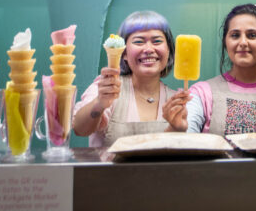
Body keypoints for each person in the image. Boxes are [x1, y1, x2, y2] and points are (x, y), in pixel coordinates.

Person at [164, 3, 256, 135]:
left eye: (252, 35)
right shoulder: (202, 94)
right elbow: (187, 140)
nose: (242, 42)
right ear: (225, 43)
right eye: (235, 35)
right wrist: (177, 129)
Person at [73, 11, 187, 147]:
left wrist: (176, 128)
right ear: (124, 53)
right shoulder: (106, 88)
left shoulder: (175, 101)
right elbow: (80, 129)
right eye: (139, 41)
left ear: (168, 51)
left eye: (157, 41)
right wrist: (100, 102)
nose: (149, 49)